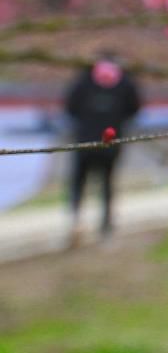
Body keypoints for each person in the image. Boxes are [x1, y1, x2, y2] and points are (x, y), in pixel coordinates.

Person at [63, 57, 141, 246]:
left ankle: (78, 222)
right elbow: (134, 108)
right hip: (109, 144)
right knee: (106, 183)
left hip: (85, 141)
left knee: (80, 182)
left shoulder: (83, 81)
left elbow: (70, 107)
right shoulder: (125, 82)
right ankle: (103, 227)